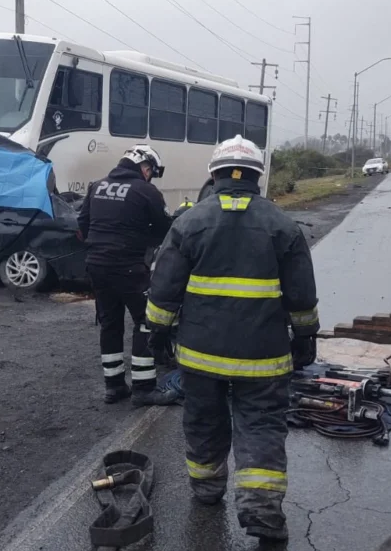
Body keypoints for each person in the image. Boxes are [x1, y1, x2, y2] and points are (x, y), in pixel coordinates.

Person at [145, 135, 320, 543]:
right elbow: (302, 295)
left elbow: (164, 289)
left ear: (215, 175)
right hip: (263, 356)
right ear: (258, 176)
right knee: (260, 426)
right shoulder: (282, 225)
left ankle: (207, 490)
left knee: (204, 420)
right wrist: (306, 336)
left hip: (200, 356)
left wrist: (156, 332)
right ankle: (261, 507)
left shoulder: (189, 222)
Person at [78, 145, 178, 407]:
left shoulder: (96, 186)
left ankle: (114, 386)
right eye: (151, 172)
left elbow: (82, 224)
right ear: (145, 167)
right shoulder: (146, 191)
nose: (151, 176)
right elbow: (165, 230)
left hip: (96, 266)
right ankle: (144, 388)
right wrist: (144, 243)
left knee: (110, 324)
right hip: (130, 268)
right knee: (146, 322)